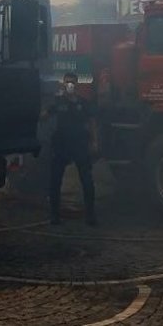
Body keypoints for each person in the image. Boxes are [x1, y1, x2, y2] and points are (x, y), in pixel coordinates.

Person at [44, 72, 98, 226]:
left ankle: (90, 215)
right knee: (55, 181)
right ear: (63, 84)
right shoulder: (57, 101)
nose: (70, 85)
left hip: (80, 144)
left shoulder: (83, 103)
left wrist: (94, 141)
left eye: (72, 83)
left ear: (77, 85)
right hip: (61, 145)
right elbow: (44, 116)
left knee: (87, 181)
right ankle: (54, 216)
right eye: (67, 83)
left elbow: (92, 121)